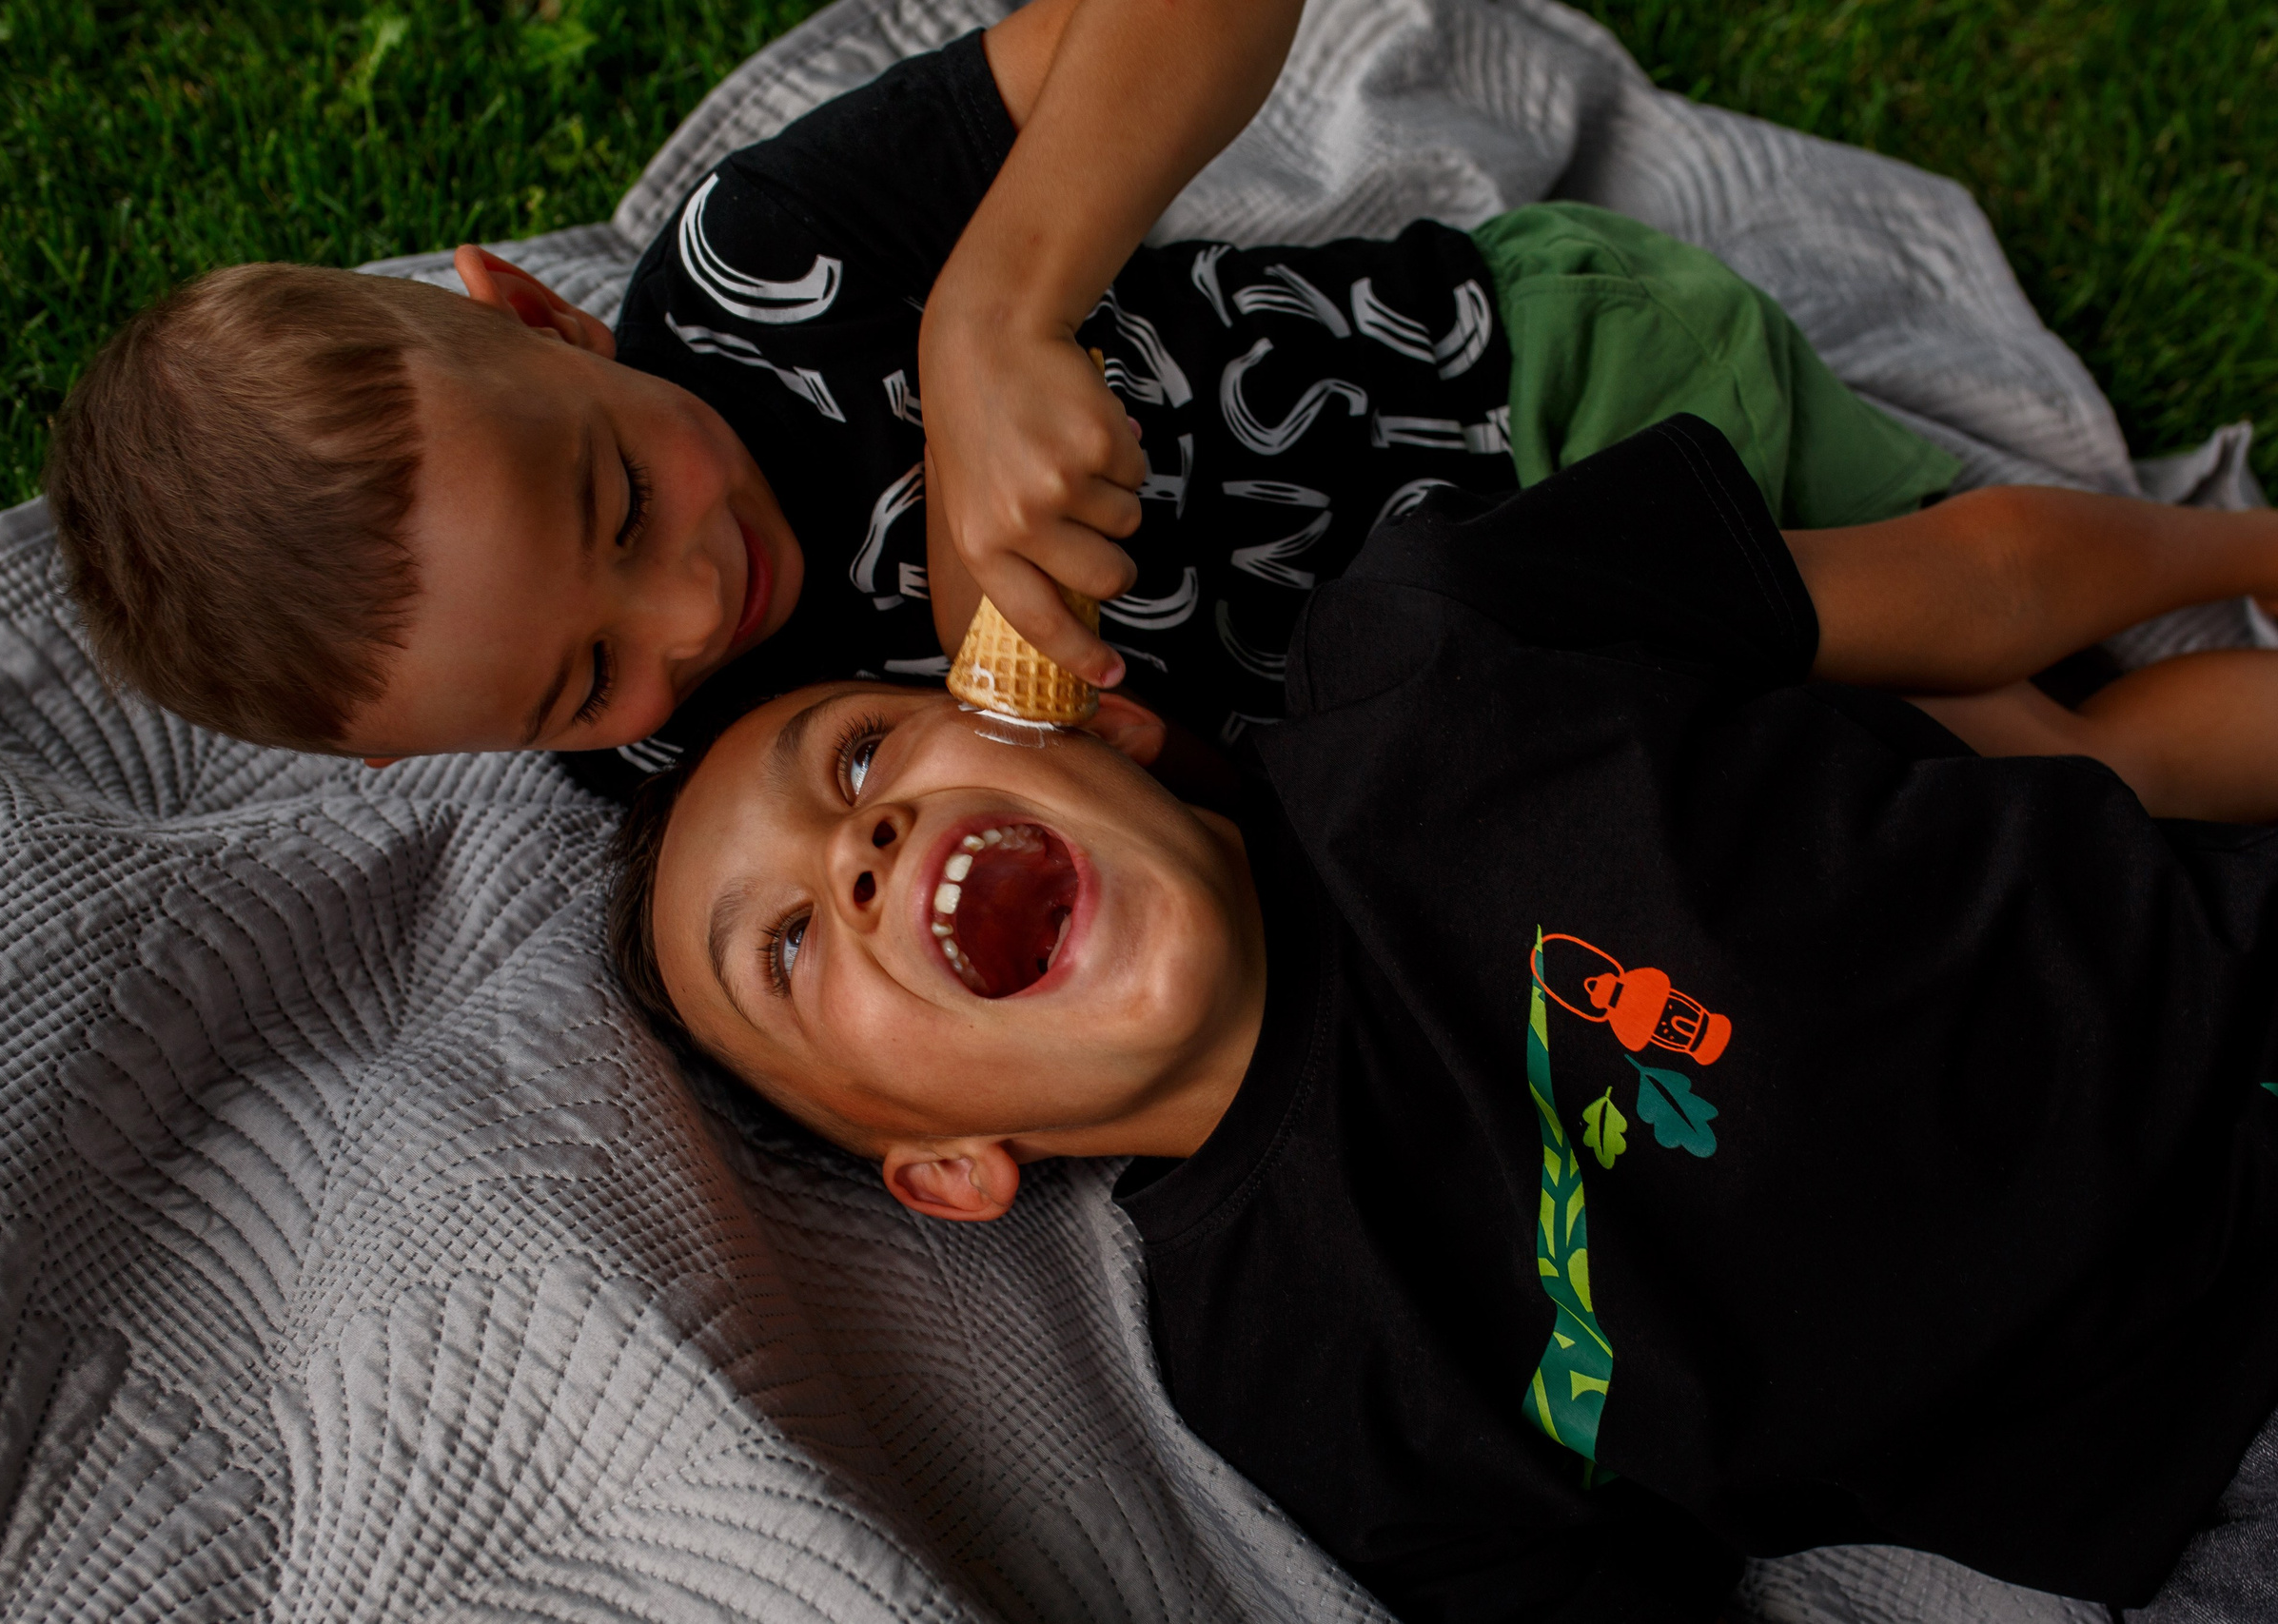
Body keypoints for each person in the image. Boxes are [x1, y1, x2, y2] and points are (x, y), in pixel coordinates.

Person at [605, 417, 2278, 1622]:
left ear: (1068, 731)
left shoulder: (1426, 643)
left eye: (858, 757)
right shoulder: (1291, 1379)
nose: (864, 847)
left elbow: (1967, 582)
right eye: (792, 949)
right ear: (953, 1164)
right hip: (2204, 1456)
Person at [42, 0, 1960, 794]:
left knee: (1984, 603)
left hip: (1541, 391)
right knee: (1986, 768)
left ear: (543, 321)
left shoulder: (759, 262)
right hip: (1525, 698)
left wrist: (994, 309)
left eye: (615, 504)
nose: (688, 615)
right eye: (571, 683)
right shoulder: (690, 768)